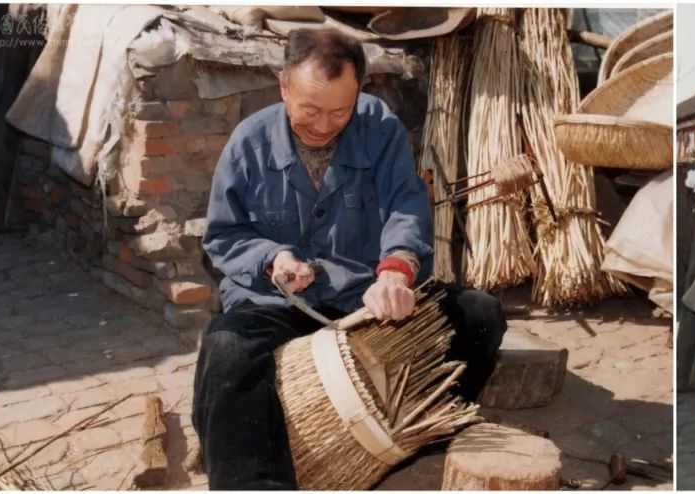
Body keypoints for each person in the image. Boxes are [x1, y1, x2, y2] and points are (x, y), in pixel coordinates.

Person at [192, 28, 506, 489]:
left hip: (362, 296)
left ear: (358, 92)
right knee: (226, 349)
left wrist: (395, 272)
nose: (323, 125)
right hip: (276, 302)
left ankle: (413, 432)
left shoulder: (380, 128)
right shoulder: (248, 144)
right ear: (283, 87)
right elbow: (223, 233)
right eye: (309, 110)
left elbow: (405, 205)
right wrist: (271, 257)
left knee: (480, 314)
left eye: (340, 111)